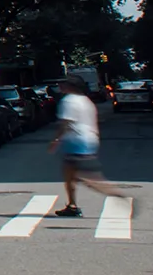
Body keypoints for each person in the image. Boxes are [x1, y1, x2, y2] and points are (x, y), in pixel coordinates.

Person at [49, 77, 128, 217]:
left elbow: (66, 123)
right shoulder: (86, 101)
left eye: (63, 84)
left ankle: (117, 196)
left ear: (70, 86)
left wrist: (56, 139)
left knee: (85, 176)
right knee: (70, 174)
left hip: (75, 142)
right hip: (89, 140)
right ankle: (72, 205)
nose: (60, 86)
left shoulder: (69, 101)